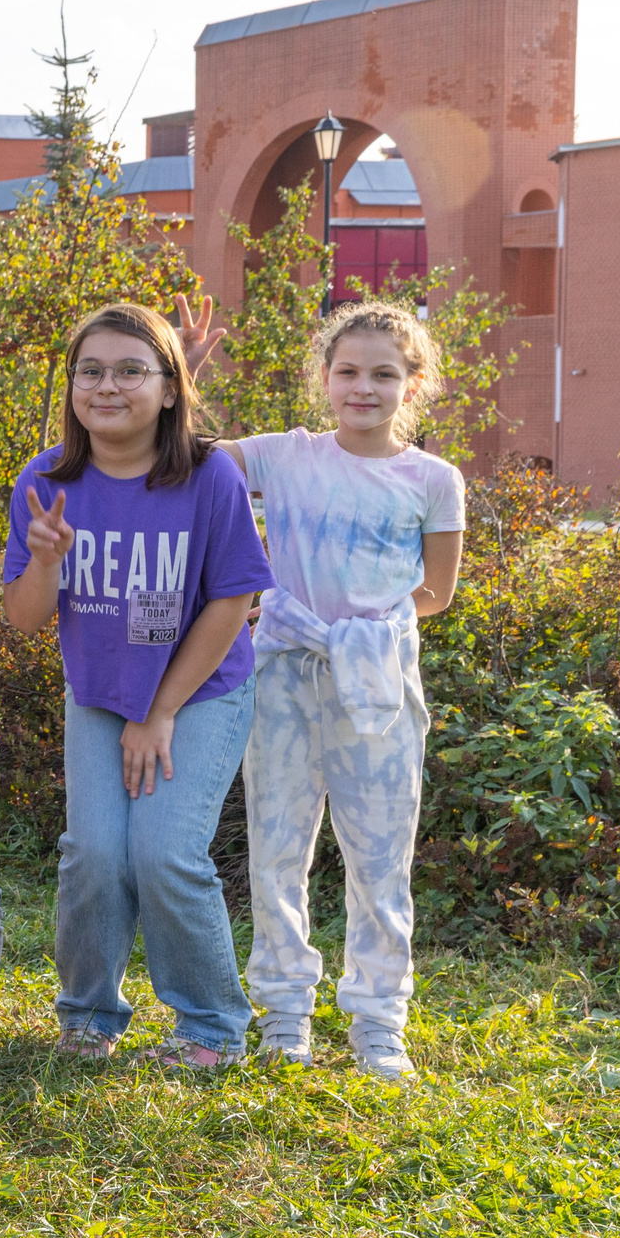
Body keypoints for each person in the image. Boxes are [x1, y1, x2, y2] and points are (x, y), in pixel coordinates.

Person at [2, 302, 272, 1070]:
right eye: (90, 370)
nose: (107, 386)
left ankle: (212, 1028)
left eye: (130, 370)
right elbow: (24, 617)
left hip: (201, 691)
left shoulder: (208, 474)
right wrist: (46, 562)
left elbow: (233, 604)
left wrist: (159, 713)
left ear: (170, 385)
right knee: (93, 853)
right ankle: (89, 1015)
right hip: (100, 693)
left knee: (163, 853)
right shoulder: (46, 480)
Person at [211, 300, 464, 1083]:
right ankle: (285, 1012)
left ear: (412, 385)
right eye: (348, 371)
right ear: (324, 378)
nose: (363, 387)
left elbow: (437, 592)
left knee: (381, 860)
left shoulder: (434, 480)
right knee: (276, 850)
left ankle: (379, 1023)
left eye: (383, 374)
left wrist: (360, 627)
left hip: (378, 682)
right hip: (284, 675)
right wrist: (186, 367)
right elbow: (191, 459)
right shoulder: (286, 457)